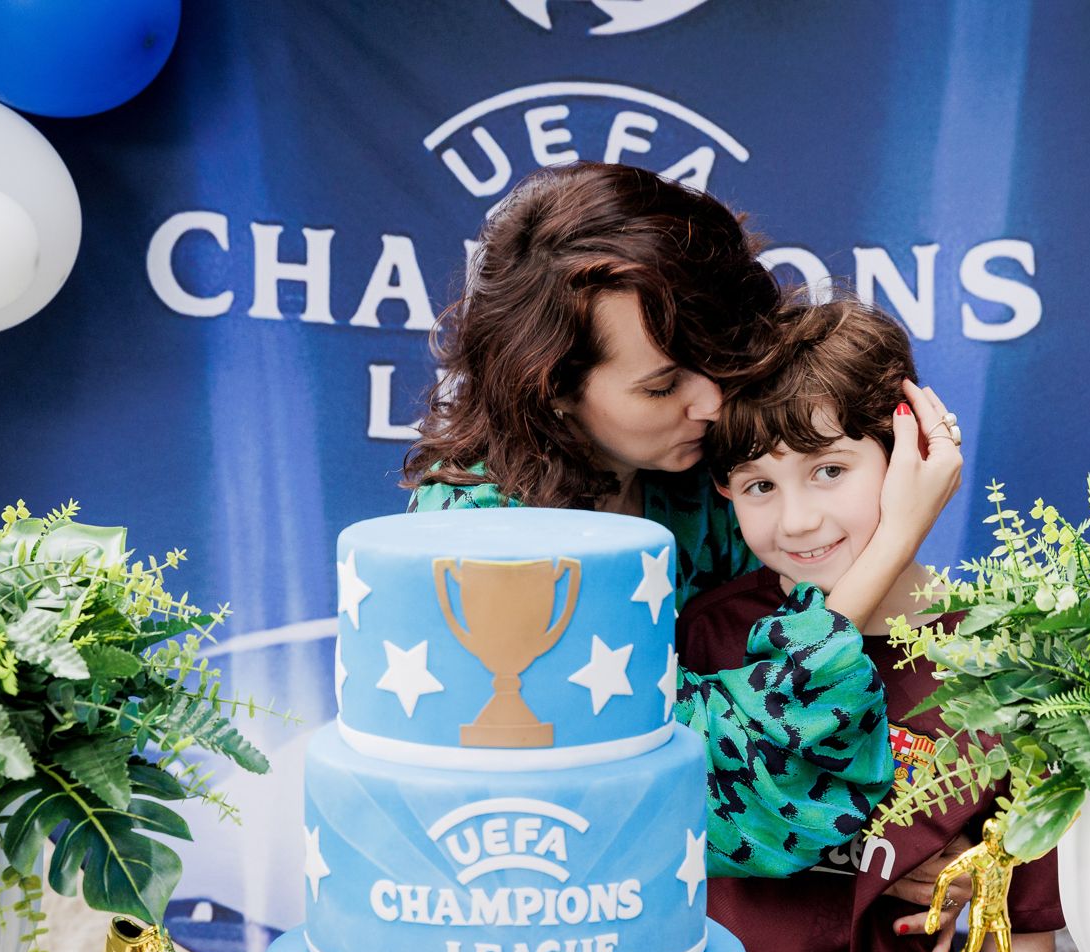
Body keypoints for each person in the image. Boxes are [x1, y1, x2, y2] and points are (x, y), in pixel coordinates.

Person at [403, 162, 962, 877]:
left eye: (713, 358)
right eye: (661, 386)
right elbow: (719, 799)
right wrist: (896, 538)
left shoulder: (709, 455)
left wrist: (930, 852)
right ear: (551, 391)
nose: (710, 404)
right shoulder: (476, 541)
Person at [679, 296, 1061, 952]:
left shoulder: (1003, 657)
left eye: (830, 470)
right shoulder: (707, 637)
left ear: (909, 453)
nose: (797, 520)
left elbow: (1022, 934)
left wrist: (980, 881)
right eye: (760, 484)